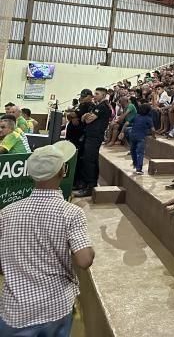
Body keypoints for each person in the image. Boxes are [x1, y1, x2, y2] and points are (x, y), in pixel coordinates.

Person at [0, 140, 94, 335]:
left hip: (15, 310)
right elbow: (84, 260)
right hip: (55, 307)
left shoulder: (7, 213)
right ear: (62, 172)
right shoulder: (71, 213)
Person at [74, 88, 112, 197]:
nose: (94, 95)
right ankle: (88, 184)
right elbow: (84, 118)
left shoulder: (102, 106)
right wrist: (85, 116)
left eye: (97, 94)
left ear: (104, 95)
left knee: (89, 161)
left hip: (94, 137)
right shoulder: (98, 106)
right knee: (91, 160)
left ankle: (90, 186)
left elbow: (88, 120)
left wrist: (85, 117)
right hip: (91, 136)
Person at [128, 103, 154, 175]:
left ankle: (135, 163)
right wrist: (153, 136)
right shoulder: (148, 119)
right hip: (141, 137)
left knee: (133, 150)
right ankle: (139, 169)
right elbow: (153, 129)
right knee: (140, 153)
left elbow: (128, 122)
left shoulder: (136, 116)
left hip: (132, 136)